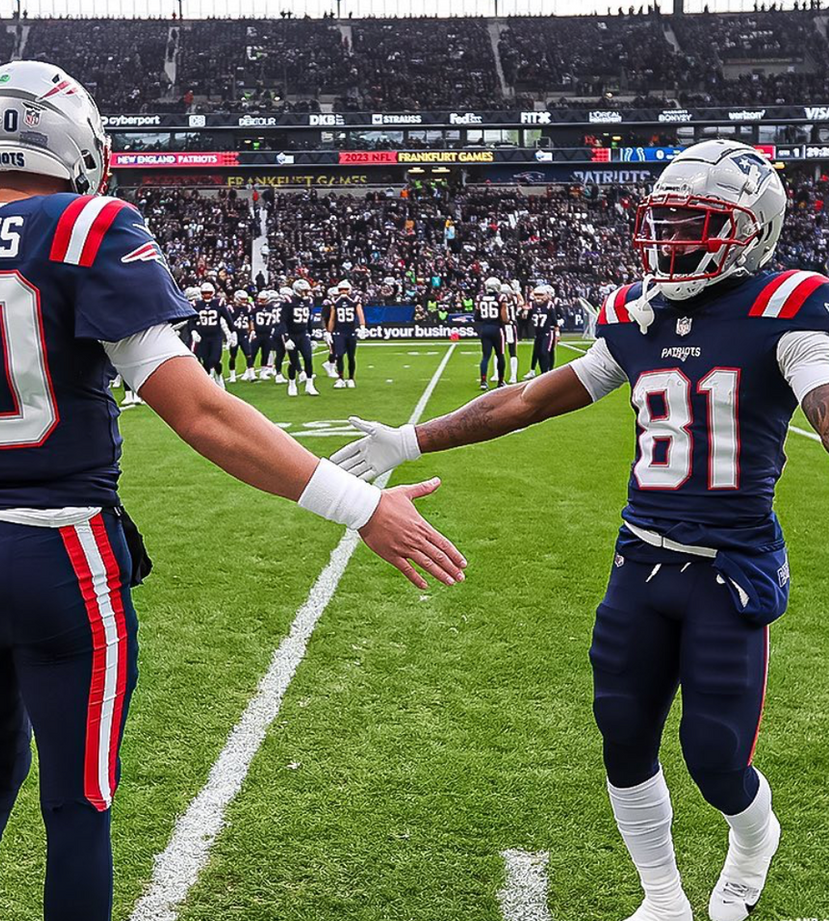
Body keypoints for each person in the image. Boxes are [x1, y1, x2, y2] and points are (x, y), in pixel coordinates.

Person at [0, 60, 467, 921]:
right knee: (77, 803)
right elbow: (201, 413)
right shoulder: (88, 228)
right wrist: (361, 505)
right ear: (73, 144)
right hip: (61, 557)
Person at [331, 140, 829, 921]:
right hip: (642, 560)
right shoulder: (638, 316)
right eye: (665, 222)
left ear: (750, 232)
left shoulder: (789, 311)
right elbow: (528, 400)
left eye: (695, 223)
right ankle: (662, 897)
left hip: (730, 568)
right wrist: (412, 439)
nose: (673, 242)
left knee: (717, 757)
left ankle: (753, 838)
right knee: (623, 735)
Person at [281, 278, 318, 397]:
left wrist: (311, 336)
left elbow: (308, 322)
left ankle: (309, 384)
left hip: (303, 334)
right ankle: (292, 384)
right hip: (292, 334)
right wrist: (286, 338)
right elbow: (283, 321)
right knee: (293, 361)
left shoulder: (308, 302)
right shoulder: (289, 302)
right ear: (297, 290)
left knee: (308, 359)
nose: (307, 293)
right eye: (304, 291)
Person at [327, 279, 366, 389]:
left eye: (345, 289)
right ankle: (340, 378)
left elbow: (360, 313)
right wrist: (329, 332)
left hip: (351, 331)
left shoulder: (354, 299)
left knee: (351, 356)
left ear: (350, 290)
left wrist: (362, 326)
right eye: (341, 289)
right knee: (339, 355)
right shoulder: (335, 300)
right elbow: (332, 318)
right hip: (339, 331)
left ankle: (351, 378)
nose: (343, 291)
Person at [474, 277, 505, 390]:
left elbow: (476, 317)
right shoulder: (500, 297)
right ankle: (501, 381)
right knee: (500, 355)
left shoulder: (480, 298)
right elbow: (505, 318)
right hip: (497, 329)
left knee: (485, 356)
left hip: (485, 328)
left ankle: (483, 381)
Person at [527, 284, 560, 376]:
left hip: (548, 333)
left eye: (541, 295)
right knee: (538, 353)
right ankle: (543, 373)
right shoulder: (532, 305)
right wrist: (524, 312)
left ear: (545, 296)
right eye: (537, 294)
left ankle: (547, 373)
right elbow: (527, 318)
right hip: (538, 334)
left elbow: (554, 321)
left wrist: (557, 333)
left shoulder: (550, 305)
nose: (538, 297)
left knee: (545, 352)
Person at [226, 289, 255, 383]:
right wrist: (229, 334)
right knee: (233, 355)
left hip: (243, 334)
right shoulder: (231, 308)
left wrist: (252, 330)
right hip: (234, 334)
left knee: (249, 354)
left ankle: (251, 374)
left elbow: (250, 320)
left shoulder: (247, 308)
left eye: (245, 299)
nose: (245, 301)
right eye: (242, 299)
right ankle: (232, 376)